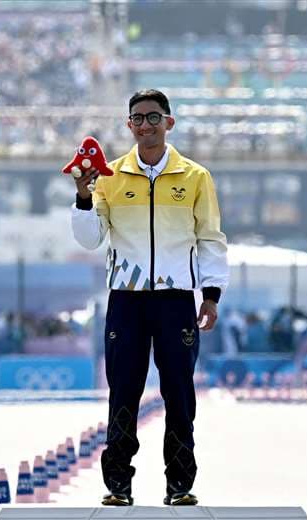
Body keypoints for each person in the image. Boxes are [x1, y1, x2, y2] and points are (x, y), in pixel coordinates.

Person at [71, 89, 228, 506]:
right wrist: (84, 197)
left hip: (176, 300)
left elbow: (211, 238)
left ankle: (180, 485)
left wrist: (210, 295)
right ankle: (118, 486)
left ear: (169, 122)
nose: (145, 125)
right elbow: (90, 239)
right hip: (126, 298)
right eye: (138, 118)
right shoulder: (110, 175)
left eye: (153, 117)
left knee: (179, 392)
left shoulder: (195, 177)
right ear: (129, 125)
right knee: (123, 390)